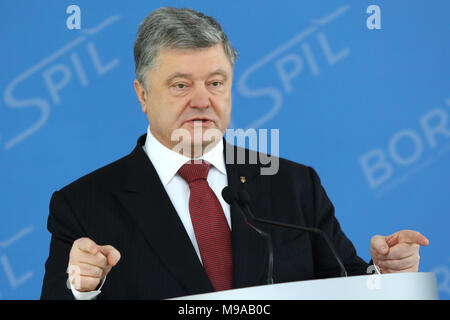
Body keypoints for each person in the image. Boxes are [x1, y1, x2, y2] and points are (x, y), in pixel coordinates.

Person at [40, 7, 429, 300]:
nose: (202, 100)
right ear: (143, 94)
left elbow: (344, 284)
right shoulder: (83, 204)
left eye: (215, 82)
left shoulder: (293, 184)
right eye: (180, 85)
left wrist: (384, 272)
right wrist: (83, 289)